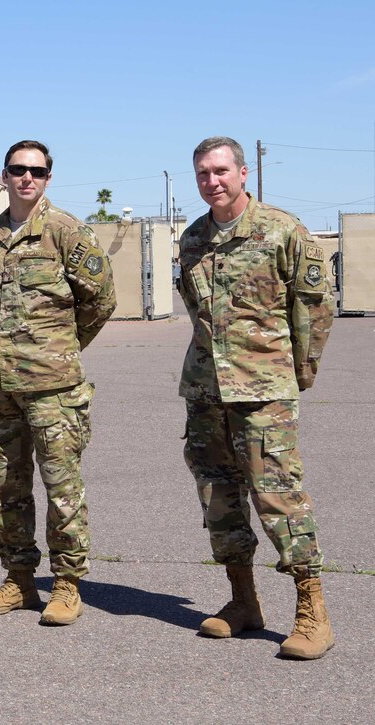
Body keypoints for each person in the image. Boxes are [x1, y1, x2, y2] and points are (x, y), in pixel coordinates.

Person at [177, 136, 334, 659]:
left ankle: (312, 612)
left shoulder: (282, 230)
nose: (212, 182)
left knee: (278, 498)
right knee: (219, 498)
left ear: (243, 173)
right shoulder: (193, 239)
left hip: (264, 391)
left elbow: (315, 307)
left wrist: (298, 373)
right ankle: (243, 601)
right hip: (206, 391)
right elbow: (196, 310)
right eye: (203, 173)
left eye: (221, 171)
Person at [0, 140, 116, 626]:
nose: (26, 178)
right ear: (4, 176)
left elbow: (101, 301)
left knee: (62, 489)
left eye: (36, 171)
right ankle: (19, 580)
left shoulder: (67, 233)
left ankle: (67, 584)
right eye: (17, 170)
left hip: (54, 389)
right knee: (5, 489)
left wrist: (62, 349)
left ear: (48, 177)